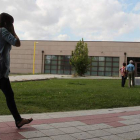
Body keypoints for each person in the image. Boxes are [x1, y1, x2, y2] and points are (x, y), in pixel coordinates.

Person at [0, 13, 33, 128]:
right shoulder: (3, 31)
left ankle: (18, 120)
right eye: (11, 23)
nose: (12, 25)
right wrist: (13, 31)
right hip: (0, 72)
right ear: (6, 23)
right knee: (9, 95)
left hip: (2, 72)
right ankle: (18, 120)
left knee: (9, 95)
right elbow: (17, 43)